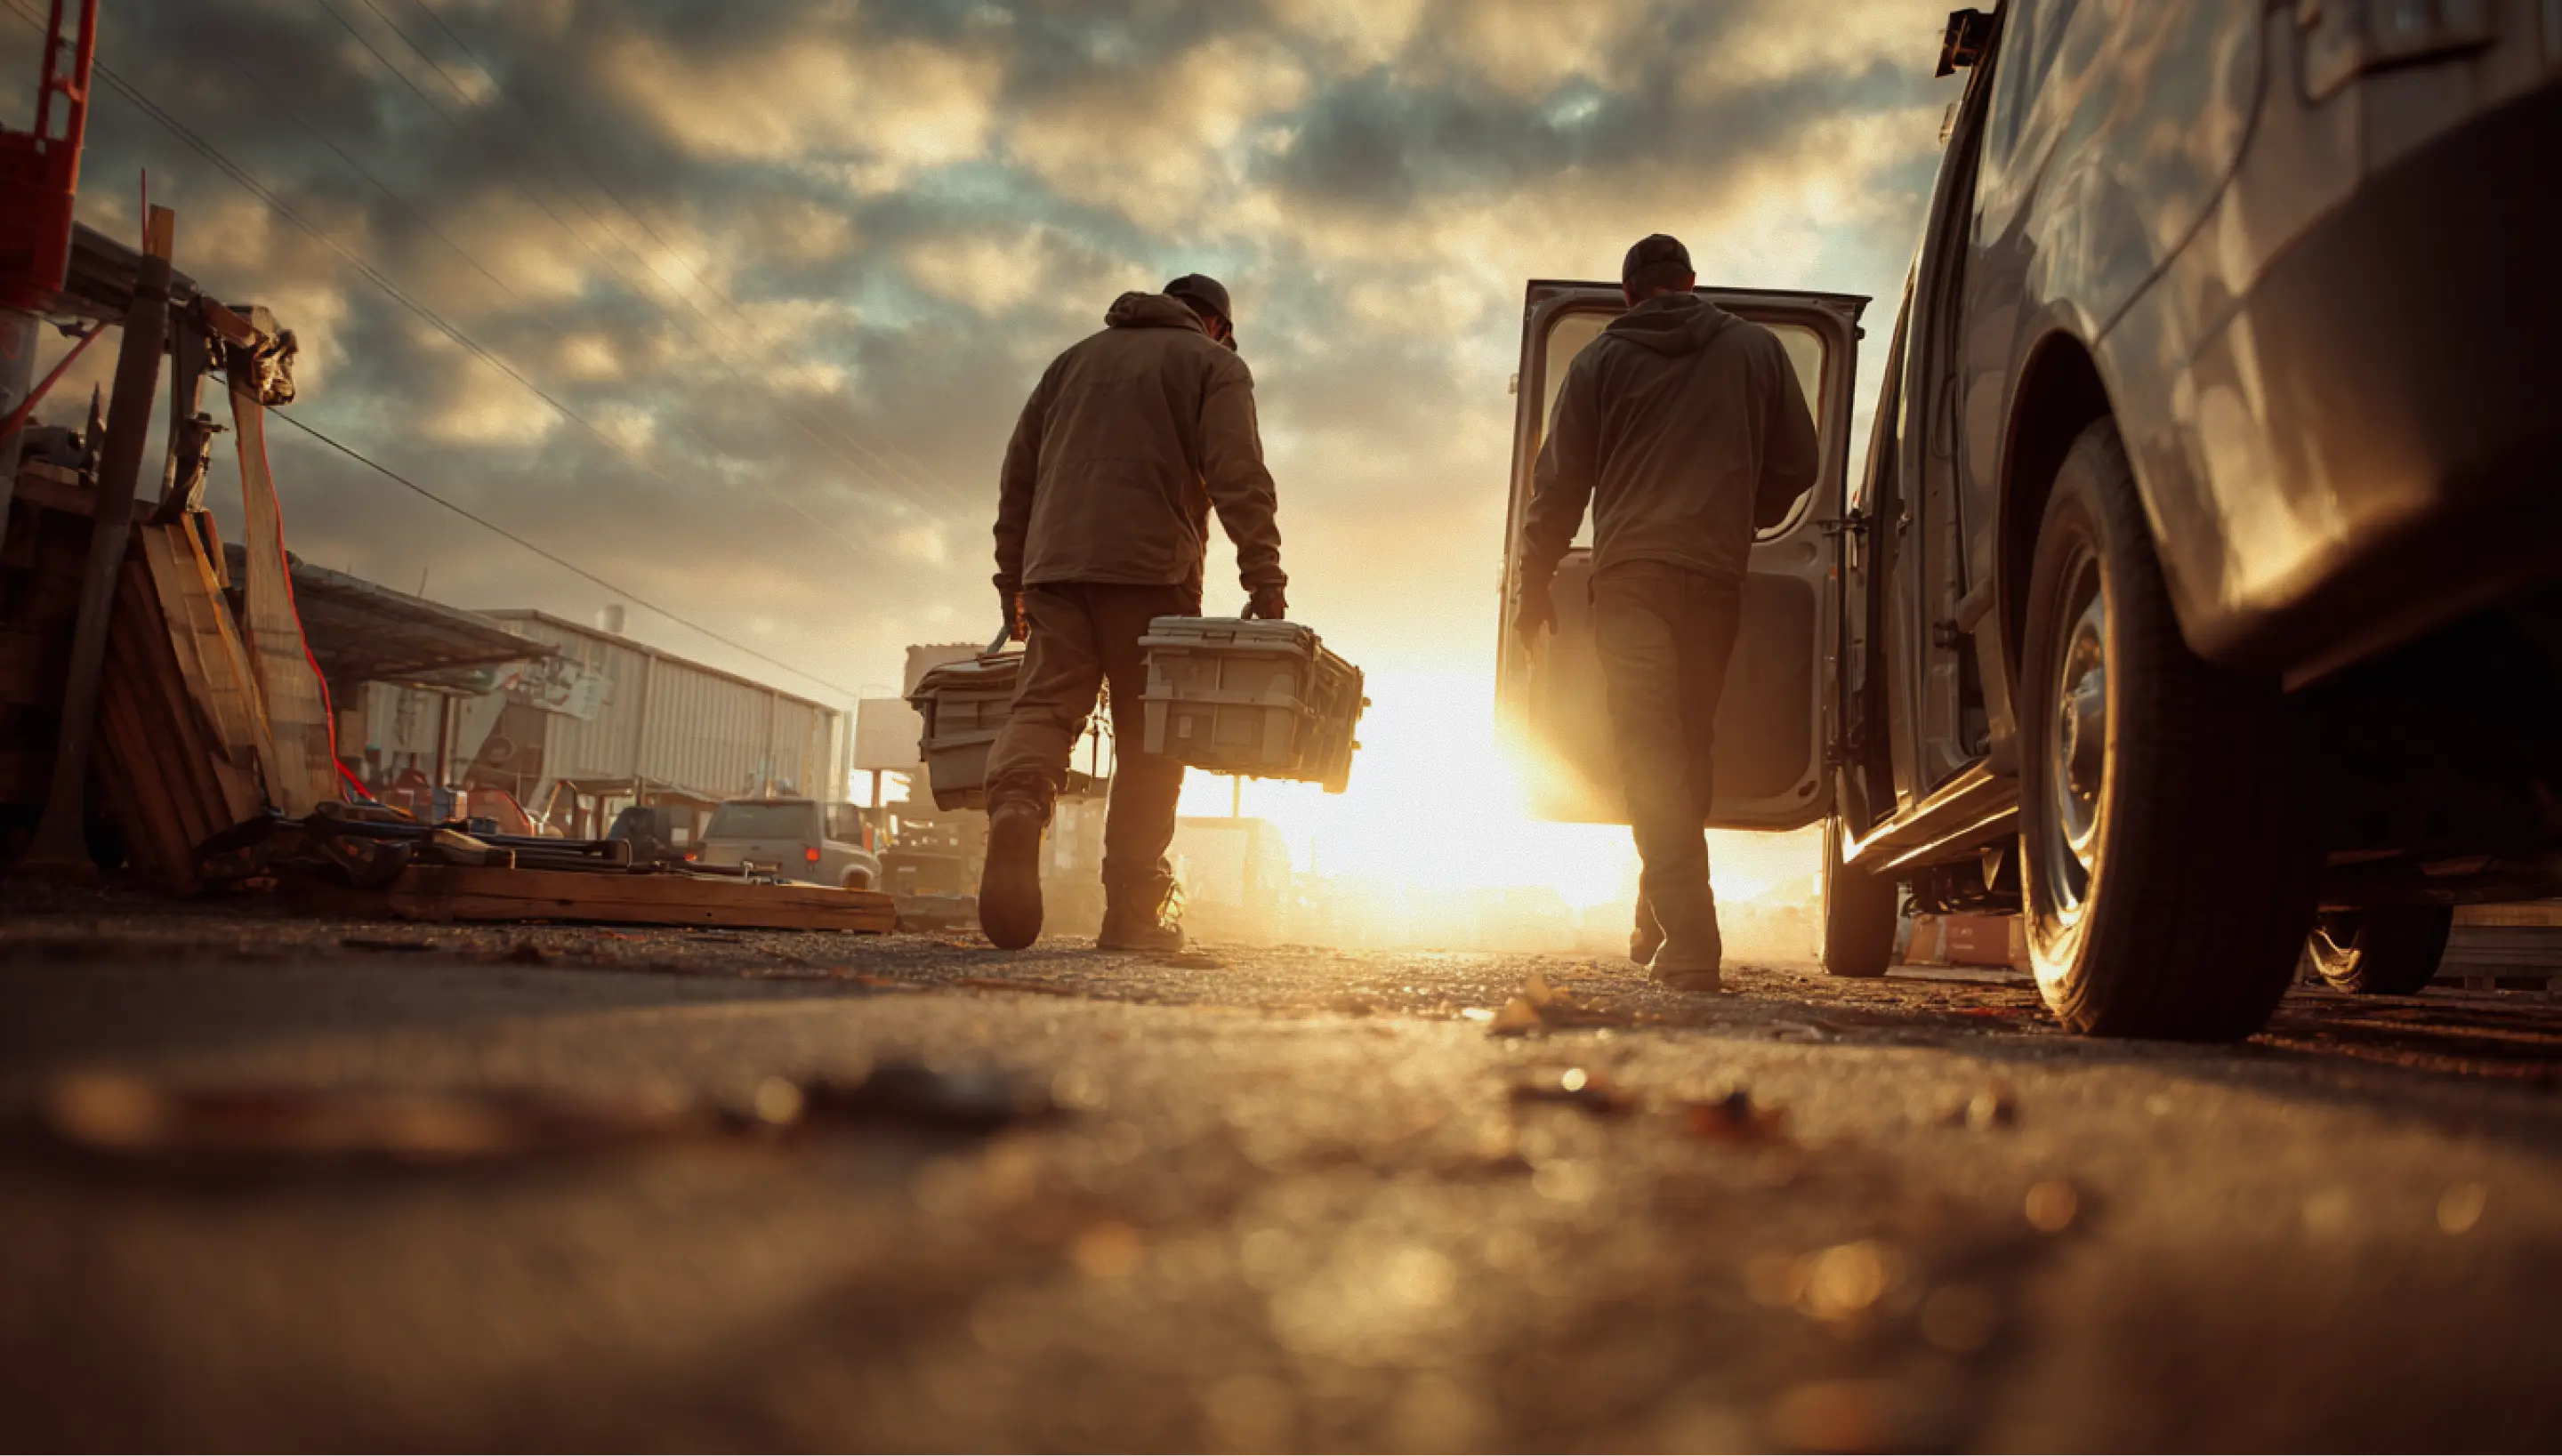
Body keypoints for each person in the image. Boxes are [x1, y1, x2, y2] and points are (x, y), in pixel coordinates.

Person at [1512, 234, 1819, 993]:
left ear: (1628, 295)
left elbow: (1558, 490)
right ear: (1690, 282)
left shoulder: (1598, 363)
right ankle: (1658, 923)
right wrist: (1741, 516)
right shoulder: (1756, 350)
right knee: (1687, 746)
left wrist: (1532, 584)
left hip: (1633, 580)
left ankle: (1689, 940)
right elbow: (1801, 466)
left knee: (1649, 751)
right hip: (1715, 577)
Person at [979, 274, 1288, 953]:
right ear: (1216, 325)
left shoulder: (1071, 362)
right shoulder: (1214, 365)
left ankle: (1017, 804)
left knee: (1042, 707)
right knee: (1151, 741)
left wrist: (1014, 582)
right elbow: (1238, 472)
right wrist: (1263, 577)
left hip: (1055, 567)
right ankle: (1131, 911)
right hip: (1152, 573)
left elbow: (1018, 477)